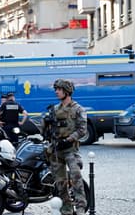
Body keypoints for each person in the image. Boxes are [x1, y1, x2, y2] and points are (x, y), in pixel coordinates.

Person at [45, 79, 87, 215]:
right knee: (60, 184)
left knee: (76, 179)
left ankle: (81, 208)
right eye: (56, 89)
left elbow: (82, 129)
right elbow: (46, 132)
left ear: (67, 91)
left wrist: (69, 139)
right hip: (57, 151)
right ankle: (66, 210)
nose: (56, 92)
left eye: (59, 89)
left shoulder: (78, 109)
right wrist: (45, 124)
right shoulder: (55, 110)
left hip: (70, 150)